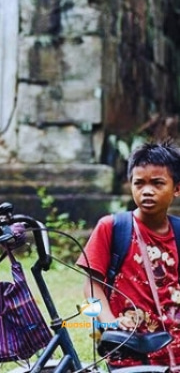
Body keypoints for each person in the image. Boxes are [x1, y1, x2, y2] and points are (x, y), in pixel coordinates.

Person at [78, 140, 180, 369]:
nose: (147, 191)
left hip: (176, 352)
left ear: (177, 188)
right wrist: (109, 323)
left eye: (157, 183)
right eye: (139, 183)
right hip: (128, 350)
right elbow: (92, 286)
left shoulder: (179, 232)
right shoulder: (112, 227)